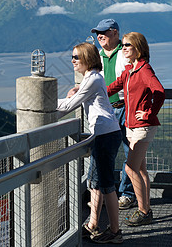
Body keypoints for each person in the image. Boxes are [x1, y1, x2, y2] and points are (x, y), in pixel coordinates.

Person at [57, 42, 123, 244]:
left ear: (86, 58)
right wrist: (76, 92)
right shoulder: (92, 78)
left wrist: (42, 106)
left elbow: (69, 106)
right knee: (95, 183)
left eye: (76, 57)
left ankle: (115, 232)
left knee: (107, 185)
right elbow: (76, 98)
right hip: (104, 134)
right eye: (72, 57)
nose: (73, 60)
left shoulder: (93, 79)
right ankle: (93, 224)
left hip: (105, 135)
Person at [106, 32, 165, 226]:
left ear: (138, 48)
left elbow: (160, 91)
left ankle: (143, 210)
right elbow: (112, 88)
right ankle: (145, 208)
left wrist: (149, 113)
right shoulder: (130, 70)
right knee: (140, 168)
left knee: (131, 168)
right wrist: (86, 90)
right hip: (131, 126)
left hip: (142, 126)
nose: (123, 48)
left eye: (127, 45)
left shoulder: (144, 69)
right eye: (122, 45)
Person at [91, 18, 137, 210]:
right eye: (97, 33)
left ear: (115, 33)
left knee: (130, 153)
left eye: (103, 32)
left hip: (125, 107)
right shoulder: (97, 56)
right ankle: (104, 191)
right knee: (103, 153)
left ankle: (127, 194)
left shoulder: (126, 52)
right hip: (106, 110)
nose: (99, 36)